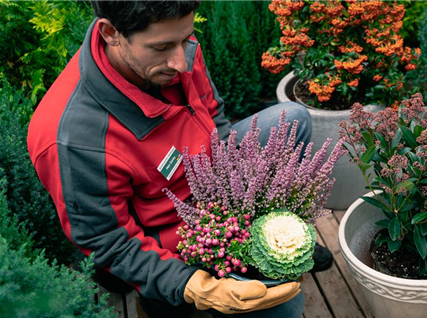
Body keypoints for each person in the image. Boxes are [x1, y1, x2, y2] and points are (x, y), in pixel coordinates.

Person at [27, 1, 332, 317]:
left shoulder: (176, 44)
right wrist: (198, 286)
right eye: (161, 47)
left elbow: (213, 114)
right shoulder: (74, 140)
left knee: (293, 118)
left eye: (185, 39)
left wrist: (245, 205)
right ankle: (162, 297)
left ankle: (271, 243)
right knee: (287, 306)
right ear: (111, 33)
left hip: (214, 188)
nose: (181, 62)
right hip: (171, 241)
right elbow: (110, 243)